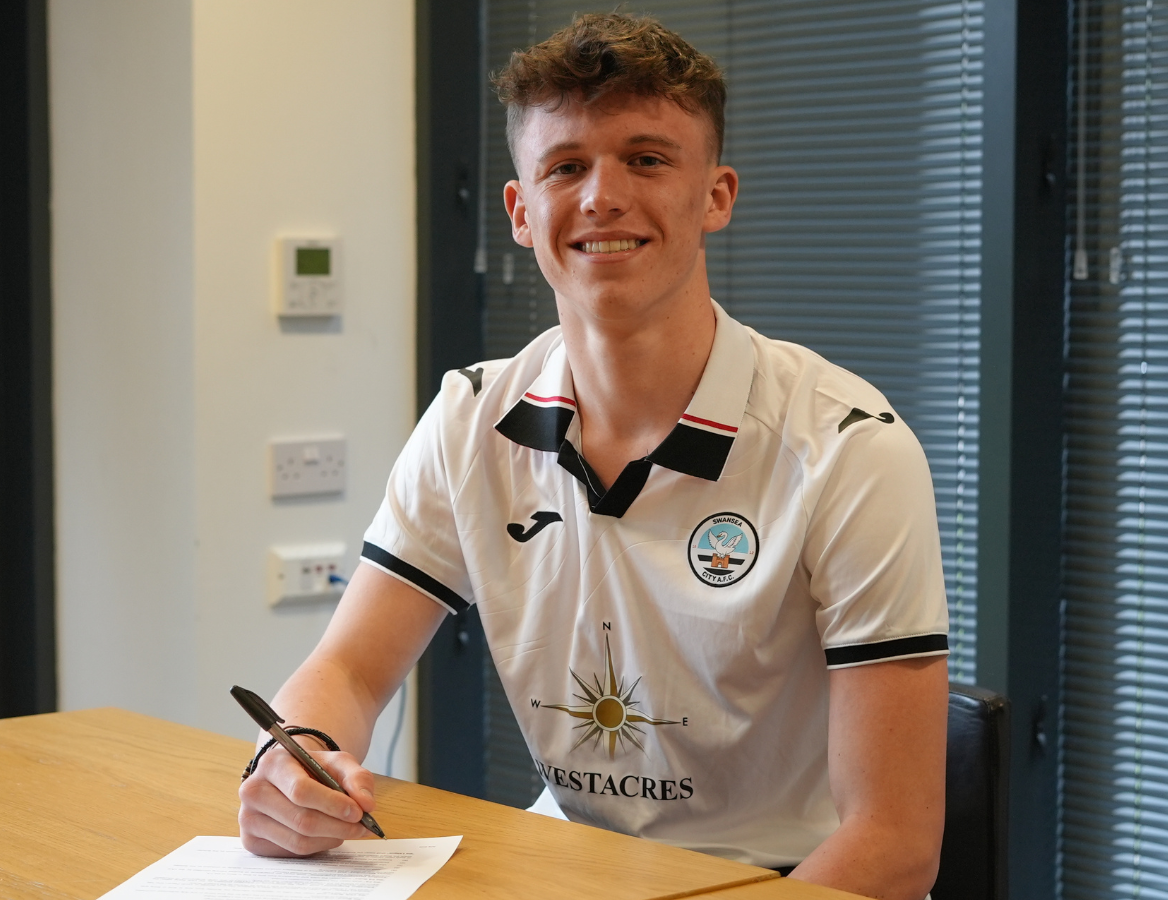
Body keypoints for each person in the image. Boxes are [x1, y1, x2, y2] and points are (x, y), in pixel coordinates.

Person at [237, 13, 948, 899]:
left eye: (646, 159)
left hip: (785, 880)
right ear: (521, 212)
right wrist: (294, 760)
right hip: (573, 866)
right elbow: (344, 670)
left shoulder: (847, 447)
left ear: (717, 196)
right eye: (566, 166)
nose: (601, 197)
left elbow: (895, 842)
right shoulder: (470, 416)